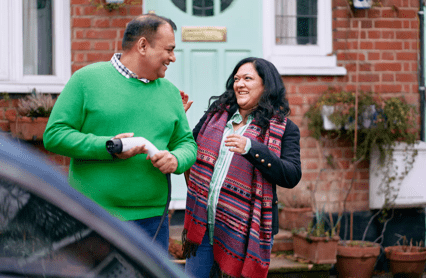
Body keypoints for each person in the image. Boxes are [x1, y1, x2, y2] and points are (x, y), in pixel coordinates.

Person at [43, 14, 197, 251]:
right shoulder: (86, 80)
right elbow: (54, 135)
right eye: (169, 50)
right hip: (93, 215)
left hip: (152, 220)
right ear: (143, 45)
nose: (173, 58)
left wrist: (176, 159)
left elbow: (187, 143)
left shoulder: (169, 92)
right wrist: (109, 147)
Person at [182, 57, 302, 278]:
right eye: (237, 79)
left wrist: (251, 149)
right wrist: (179, 120)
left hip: (244, 232)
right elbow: (188, 150)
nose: (240, 84)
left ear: (266, 85)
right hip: (203, 225)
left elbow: (291, 175)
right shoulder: (214, 116)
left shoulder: (284, 128)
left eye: (248, 78)